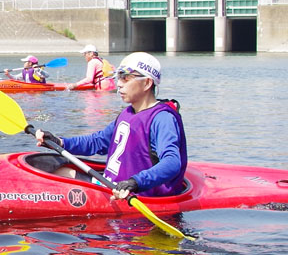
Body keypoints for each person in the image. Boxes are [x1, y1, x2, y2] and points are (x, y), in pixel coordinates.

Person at [36, 52, 186, 199]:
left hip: (135, 194)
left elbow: (172, 162)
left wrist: (136, 182)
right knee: (61, 171)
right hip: (112, 186)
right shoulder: (128, 113)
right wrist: (60, 142)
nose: (119, 84)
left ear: (147, 83)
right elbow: (98, 141)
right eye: (118, 77)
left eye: (126, 78)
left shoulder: (162, 118)